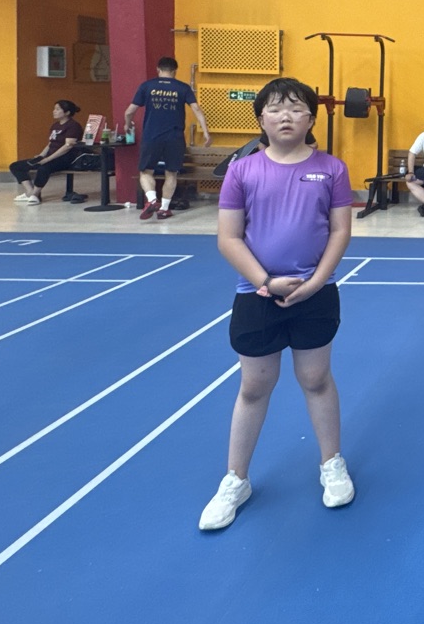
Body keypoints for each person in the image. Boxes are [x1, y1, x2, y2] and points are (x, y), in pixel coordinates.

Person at [199, 78, 355, 532]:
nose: (285, 115)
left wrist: (316, 283)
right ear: (261, 119)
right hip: (257, 295)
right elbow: (228, 238)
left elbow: (340, 230)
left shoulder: (332, 169)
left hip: (315, 293)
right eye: (275, 108)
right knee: (253, 386)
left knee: (316, 379)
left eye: (296, 107)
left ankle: (331, 463)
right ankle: (236, 479)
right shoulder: (242, 171)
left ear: (311, 118)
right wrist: (265, 281)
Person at [122, 56, 210, 221]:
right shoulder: (183, 88)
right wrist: (206, 132)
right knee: (171, 173)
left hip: (151, 136)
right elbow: (196, 109)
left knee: (146, 171)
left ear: (158, 69)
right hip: (175, 137)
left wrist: (127, 124)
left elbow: (129, 111)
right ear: (175, 71)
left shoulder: (147, 86)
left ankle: (152, 200)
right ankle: (163, 209)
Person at [10, 100, 84, 203]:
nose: (54, 111)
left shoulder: (73, 126)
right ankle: (30, 192)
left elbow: (68, 146)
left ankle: (35, 194)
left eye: (57, 109)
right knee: (16, 166)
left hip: (64, 159)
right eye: (54, 109)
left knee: (44, 167)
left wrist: (47, 159)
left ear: (67, 112)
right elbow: (50, 144)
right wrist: (41, 156)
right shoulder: (55, 126)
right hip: (50, 157)